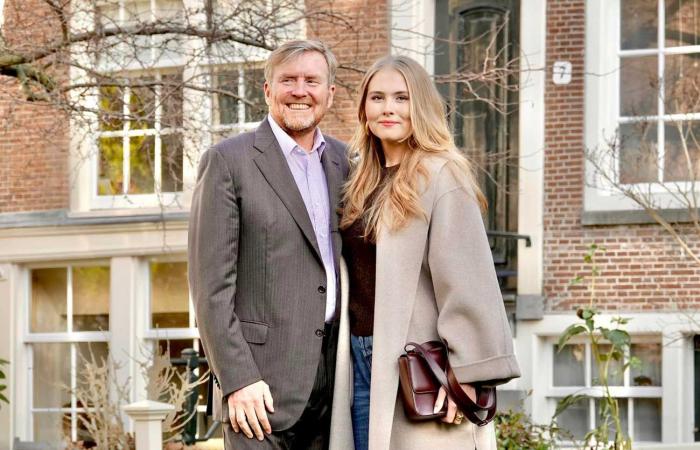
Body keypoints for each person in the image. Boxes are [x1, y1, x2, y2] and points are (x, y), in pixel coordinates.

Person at [329, 55, 521, 450]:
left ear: (421, 106)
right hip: (360, 362)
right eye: (377, 97)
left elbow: (467, 279)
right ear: (364, 108)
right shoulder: (359, 181)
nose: (388, 108)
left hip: (419, 365)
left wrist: (466, 371)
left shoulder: (441, 174)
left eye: (402, 98)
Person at [188, 40, 349, 450]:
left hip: (336, 382)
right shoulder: (228, 162)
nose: (300, 91)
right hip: (258, 391)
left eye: (311, 80)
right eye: (288, 80)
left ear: (329, 93)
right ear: (267, 90)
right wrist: (238, 378)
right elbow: (211, 288)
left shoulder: (348, 164)